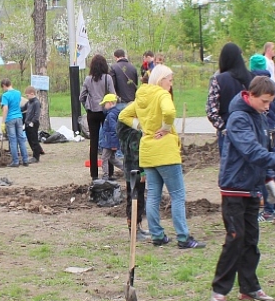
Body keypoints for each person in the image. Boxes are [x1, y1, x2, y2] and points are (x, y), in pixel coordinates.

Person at [210, 77, 275, 301]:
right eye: (264, 101)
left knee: (251, 240)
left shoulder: (259, 117)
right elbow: (250, 150)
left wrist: (268, 179)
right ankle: (219, 290)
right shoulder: (238, 118)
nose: (267, 106)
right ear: (250, 95)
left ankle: (249, 287)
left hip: (252, 186)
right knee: (236, 237)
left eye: (270, 102)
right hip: (234, 187)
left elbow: (263, 148)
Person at [119, 65, 205, 249]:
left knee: (153, 196)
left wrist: (141, 126)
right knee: (177, 195)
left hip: (148, 153)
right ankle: (183, 237)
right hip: (165, 152)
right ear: (160, 80)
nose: (171, 84)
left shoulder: (142, 97)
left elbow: (123, 115)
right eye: (170, 80)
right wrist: (166, 128)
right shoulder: (161, 95)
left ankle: (157, 235)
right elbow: (169, 112)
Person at [248, 54, 275, 222]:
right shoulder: (271, 84)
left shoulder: (256, 86)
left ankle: (268, 209)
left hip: (264, 132)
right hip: (273, 130)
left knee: (264, 168)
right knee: (272, 167)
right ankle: (272, 206)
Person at [206, 42, 253, 154]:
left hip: (228, 133)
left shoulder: (218, 80)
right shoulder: (253, 79)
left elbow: (211, 110)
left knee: (230, 169)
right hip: (251, 132)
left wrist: (223, 128)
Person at [79, 54, 114, 179]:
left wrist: (87, 106)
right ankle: (109, 172)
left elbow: (81, 97)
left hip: (92, 112)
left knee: (93, 143)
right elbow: (113, 95)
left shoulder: (88, 79)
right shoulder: (108, 78)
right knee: (108, 141)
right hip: (105, 112)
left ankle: (94, 174)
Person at [0, 79, 29, 168]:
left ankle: (15, 161)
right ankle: (25, 160)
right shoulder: (18, 93)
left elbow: (5, 109)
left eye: (2, 87)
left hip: (10, 119)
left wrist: (3, 122)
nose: (3, 89)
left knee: (13, 140)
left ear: (4, 85)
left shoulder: (5, 95)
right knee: (21, 139)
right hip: (19, 117)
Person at [98, 93, 125, 180]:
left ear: (110, 103)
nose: (104, 106)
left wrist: (113, 144)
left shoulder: (111, 115)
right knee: (112, 158)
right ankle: (125, 169)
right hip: (109, 141)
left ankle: (105, 175)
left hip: (109, 142)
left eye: (104, 104)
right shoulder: (113, 113)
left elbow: (114, 130)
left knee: (104, 158)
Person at [21, 86, 45, 163]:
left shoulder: (36, 102)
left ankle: (36, 157)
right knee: (30, 140)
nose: (27, 97)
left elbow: (37, 114)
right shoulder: (29, 103)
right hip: (28, 123)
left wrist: (33, 122)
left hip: (33, 124)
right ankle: (38, 151)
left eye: (27, 95)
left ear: (32, 93)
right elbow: (23, 109)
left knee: (34, 140)